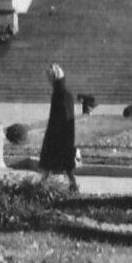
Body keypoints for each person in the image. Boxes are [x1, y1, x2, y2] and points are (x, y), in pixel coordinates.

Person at [39, 63, 79, 192]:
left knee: (61, 163)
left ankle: (72, 186)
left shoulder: (62, 95)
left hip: (60, 136)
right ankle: (42, 184)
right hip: (59, 135)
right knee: (58, 164)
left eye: (50, 78)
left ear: (55, 78)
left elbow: (65, 118)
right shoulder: (60, 94)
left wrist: (56, 134)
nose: (49, 81)